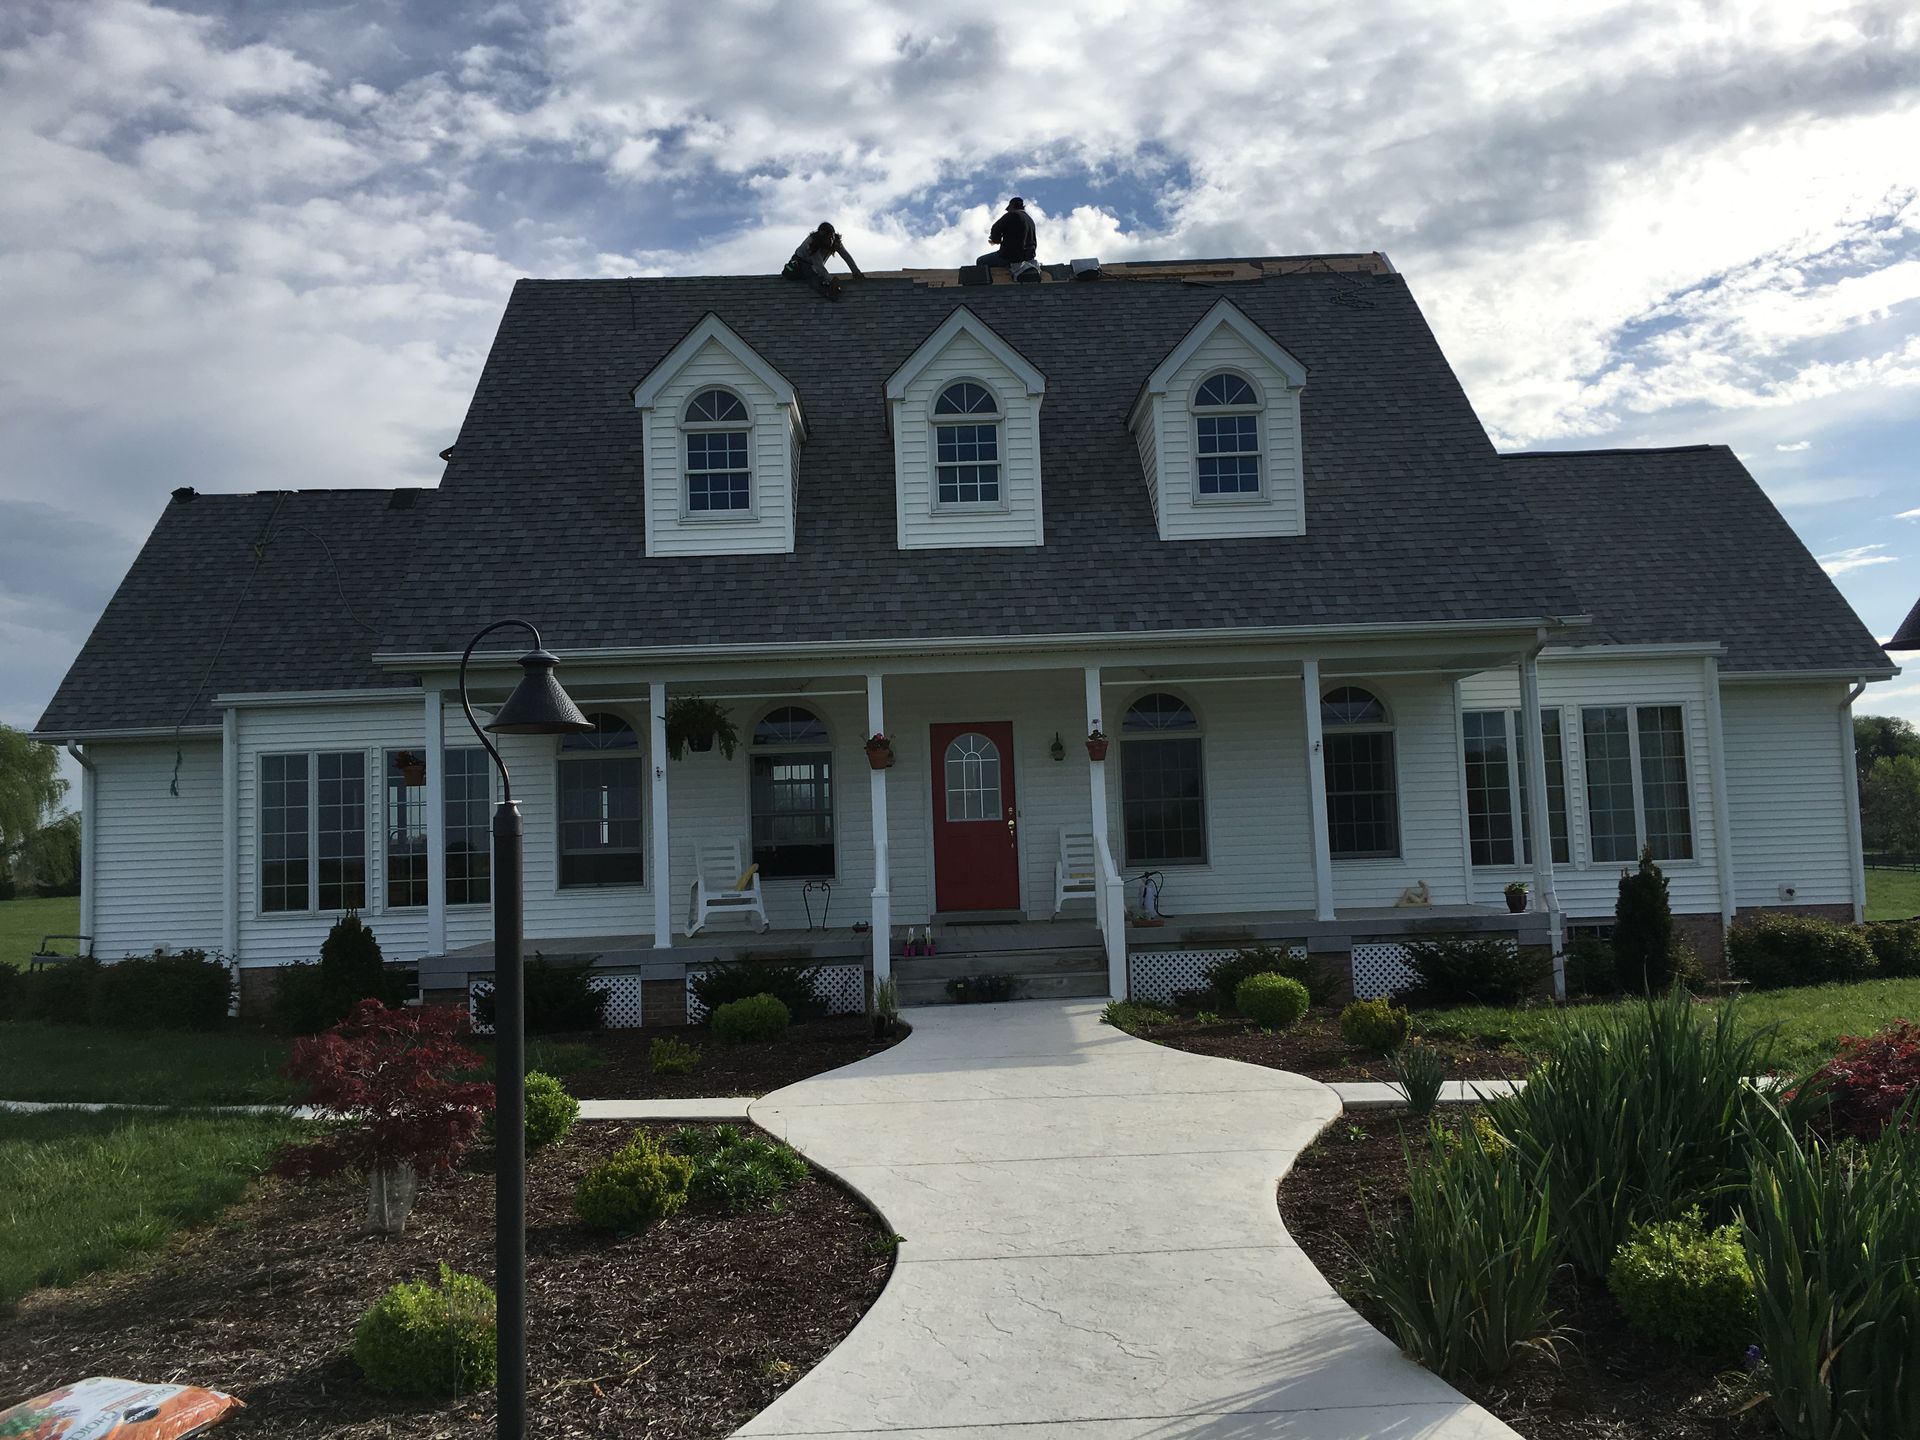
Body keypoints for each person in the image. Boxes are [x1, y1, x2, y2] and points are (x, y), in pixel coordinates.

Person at [783, 222, 863, 299]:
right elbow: (819, 267)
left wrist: (856, 272)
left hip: (814, 265)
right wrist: (831, 281)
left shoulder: (836, 241)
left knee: (819, 275)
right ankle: (827, 293)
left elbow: (846, 256)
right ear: (822, 238)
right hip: (801, 262)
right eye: (828, 238)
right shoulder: (812, 243)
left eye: (832, 237)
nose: (831, 240)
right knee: (813, 277)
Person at [976, 197, 1037, 270]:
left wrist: (996, 240)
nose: (1008, 211)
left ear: (1011, 206)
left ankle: (995, 280)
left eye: (1008, 209)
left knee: (980, 261)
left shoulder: (1012, 214)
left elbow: (996, 228)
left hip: (1011, 257)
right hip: (1028, 258)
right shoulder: (1030, 220)